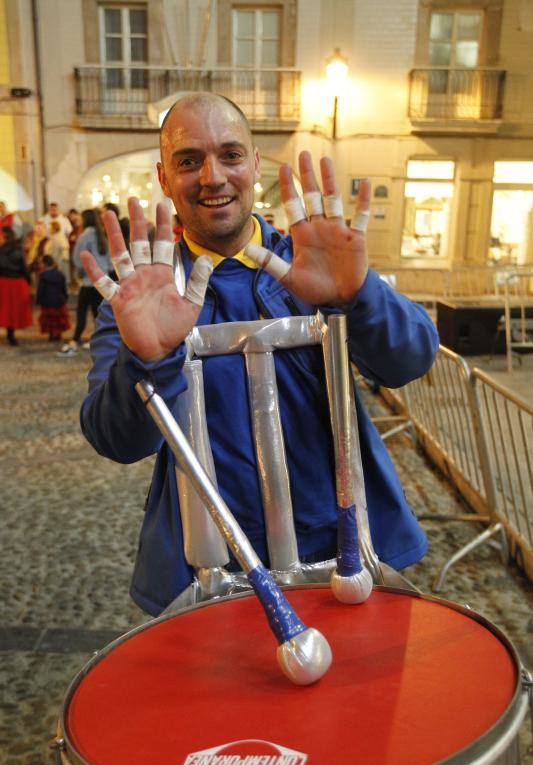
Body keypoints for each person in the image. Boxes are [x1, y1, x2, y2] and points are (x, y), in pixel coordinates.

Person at [79, 92, 439, 616]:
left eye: (229, 154)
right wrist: (147, 358)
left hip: (353, 555)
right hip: (206, 573)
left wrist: (355, 297)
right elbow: (117, 439)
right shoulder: (140, 298)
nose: (212, 176)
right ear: (163, 178)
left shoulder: (312, 262)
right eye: (189, 161)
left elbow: (410, 360)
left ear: (253, 162)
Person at [58, 208, 111, 356]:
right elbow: (108, 259)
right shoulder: (101, 235)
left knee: (81, 312)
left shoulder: (84, 236)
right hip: (102, 280)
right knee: (98, 312)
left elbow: (77, 258)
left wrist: (80, 273)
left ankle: (74, 342)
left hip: (89, 281)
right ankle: (100, 340)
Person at [0, 226, 33, 346]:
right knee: (12, 311)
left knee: (6, 310)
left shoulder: (2, 250)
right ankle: (11, 335)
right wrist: (28, 281)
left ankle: (10, 334)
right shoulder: (18, 249)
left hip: (4, 283)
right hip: (16, 283)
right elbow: (24, 268)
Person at [36, 254, 70, 342]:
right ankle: (58, 334)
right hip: (59, 299)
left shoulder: (43, 275)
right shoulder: (60, 274)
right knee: (58, 319)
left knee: (50, 319)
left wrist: (39, 300)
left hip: (47, 300)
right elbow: (63, 288)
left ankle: (51, 335)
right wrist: (65, 297)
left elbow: (41, 289)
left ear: (44, 263)